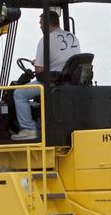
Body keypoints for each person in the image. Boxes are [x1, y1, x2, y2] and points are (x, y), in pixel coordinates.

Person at [12, 10, 80, 140]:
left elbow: (39, 70)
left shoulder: (45, 40)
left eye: (40, 23)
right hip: (69, 80)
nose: (40, 26)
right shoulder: (72, 37)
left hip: (54, 82)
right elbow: (61, 59)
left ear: (47, 23)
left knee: (19, 94)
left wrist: (36, 64)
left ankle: (29, 130)